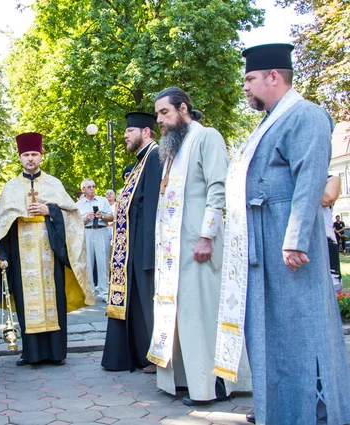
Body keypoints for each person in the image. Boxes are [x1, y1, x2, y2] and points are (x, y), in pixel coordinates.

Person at [214, 43, 350, 425]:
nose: (245, 88)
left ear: (274, 76)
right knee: (271, 334)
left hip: (287, 247)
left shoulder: (304, 115)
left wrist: (295, 239)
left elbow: (309, 181)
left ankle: (314, 413)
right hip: (263, 245)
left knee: (302, 332)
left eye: (250, 79)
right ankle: (281, 409)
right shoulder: (269, 120)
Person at [148, 87, 251, 405]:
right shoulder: (172, 149)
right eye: (157, 115)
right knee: (179, 315)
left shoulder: (207, 137)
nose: (160, 120)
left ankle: (213, 386)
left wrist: (207, 235)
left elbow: (218, 188)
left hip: (197, 244)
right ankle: (185, 380)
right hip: (173, 252)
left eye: (164, 112)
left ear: (183, 108)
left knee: (201, 315)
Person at [0, 132, 93, 366]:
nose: (30, 158)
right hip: (21, 254)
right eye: (26, 154)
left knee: (53, 300)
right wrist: (3, 255)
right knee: (27, 303)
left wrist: (50, 211)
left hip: (51, 252)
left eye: (34, 154)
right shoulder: (11, 187)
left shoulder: (53, 184)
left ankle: (56, 352)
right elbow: (3, 226)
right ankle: (31, 354)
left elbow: (73, 215)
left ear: (41, 156)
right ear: (19, 158)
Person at [101, 112, 161, 373]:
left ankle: (155, 356)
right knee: (136, 300)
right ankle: (142, 354)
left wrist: (149, 249)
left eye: (130, 131)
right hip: (130, 242)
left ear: (146, 132)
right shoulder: (139, 162)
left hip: (143, 243)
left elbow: (153, 206)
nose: (125, 135)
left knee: (147, 301)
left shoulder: (155, 156)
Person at [76, 179, 114, 301]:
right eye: (89, 187)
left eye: (93, 186)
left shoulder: (103, 201)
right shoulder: (78, 204)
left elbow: (112, 217)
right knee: (88, 263)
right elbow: (75, 223)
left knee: (103, 262)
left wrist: (102, 215)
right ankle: (90, 292)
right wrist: (86, 218)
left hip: (101, 230)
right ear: (83, 190)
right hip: (87, 231)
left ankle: (104, 293)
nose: (92, 188)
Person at [322, 176, 343, 293]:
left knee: (332, 291)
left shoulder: (331, 179)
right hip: (296, 242)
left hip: (326, 240)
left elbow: (327, 198)